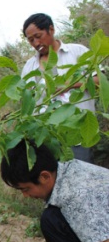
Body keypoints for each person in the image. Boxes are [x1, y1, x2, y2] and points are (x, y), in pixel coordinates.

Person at [0, 140, 109, 242]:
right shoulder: (66, 173)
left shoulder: (77, 195)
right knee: (54, 218)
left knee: (50, 220)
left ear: (44, 176)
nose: (25, 195)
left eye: (26, 189)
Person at [22, 13, 97, 163]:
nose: (36, 43)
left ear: (51, 29)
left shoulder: (77, 52)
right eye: (31, 40)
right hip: (48, 137)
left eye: (38, 36)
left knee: (80, 177)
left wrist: (70, 85)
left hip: (78, 132)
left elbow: (98, 81)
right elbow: (27, 103)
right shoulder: (29, 67)